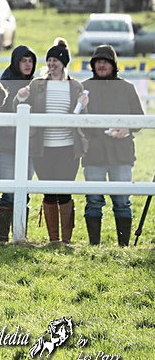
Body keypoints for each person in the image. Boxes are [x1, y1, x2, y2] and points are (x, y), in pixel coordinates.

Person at [15, 38, 88, 244]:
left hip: (68, 148)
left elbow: (83, 117)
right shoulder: (37, 84)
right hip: (43, 148)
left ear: (63, 63)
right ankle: (53, 239)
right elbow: (18, 108)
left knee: (64, 192)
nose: (51, 64)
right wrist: (20, 97)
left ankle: (66, 240)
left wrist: (84, 104)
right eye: (49, 60)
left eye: (55, 60)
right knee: (48, 193)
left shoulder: (75, 86)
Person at [81, 45, 144, 246]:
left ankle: (123, 245)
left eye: (105, 61)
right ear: (92, 65)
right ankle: (94, 245)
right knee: (93, 201)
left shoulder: (127, 88)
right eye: (97, 62)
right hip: (93, 152)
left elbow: (139, 120)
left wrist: (128, 129)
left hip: (121, 153)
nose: (101, 65)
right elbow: (75, 120)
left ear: (113, 65)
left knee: (122, 201)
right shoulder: (84, 88)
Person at [0, 45, 37, 242]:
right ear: (16, 62)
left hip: (30, 146)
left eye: (30, 61)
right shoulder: (4, 85)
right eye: (24, 60)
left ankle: (21, 235)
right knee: (8, 191)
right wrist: (13, 128)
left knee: (24, 191)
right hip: (7, 146)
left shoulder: (37, 85)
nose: (28, 65)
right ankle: (2, 238)